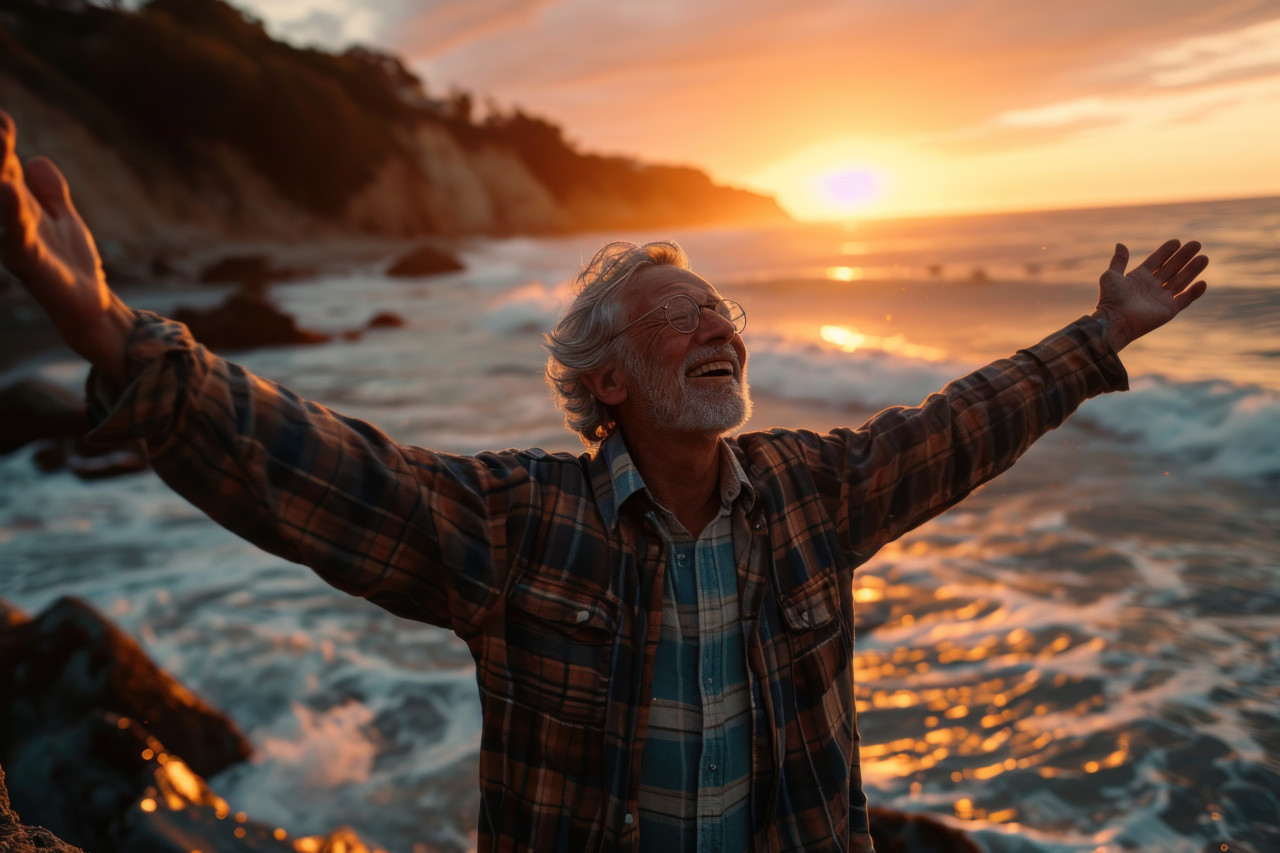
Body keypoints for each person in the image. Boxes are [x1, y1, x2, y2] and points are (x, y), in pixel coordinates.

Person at [0, 108, 1208, 853]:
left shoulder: (809, 491)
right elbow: (323, 470)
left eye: (722, 311)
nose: (716, 325)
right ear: (609, 381)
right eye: (681, 315)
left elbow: (960, 423)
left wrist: (1100, 335)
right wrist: (109, 333)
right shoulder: (519, 523)